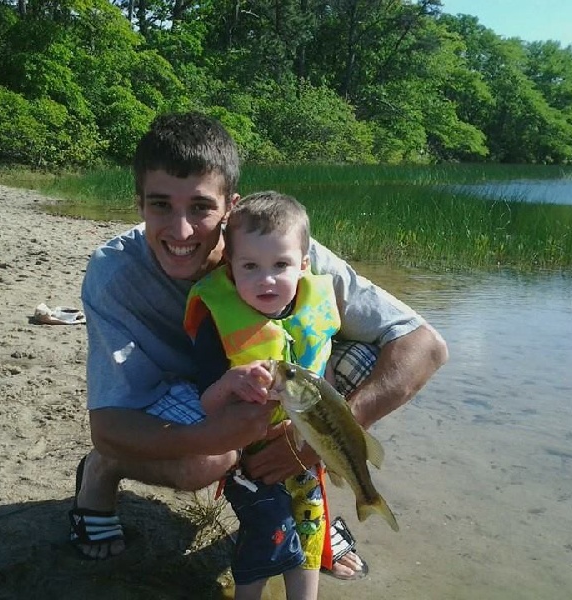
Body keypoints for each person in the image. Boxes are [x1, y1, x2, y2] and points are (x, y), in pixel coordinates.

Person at [70, 112, 448, 581]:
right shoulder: (113, 275)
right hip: (183, 396)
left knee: (363, 362)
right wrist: (215, 439)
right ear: (140, 203)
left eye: (202, 208)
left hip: (273, 391)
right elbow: (107, 425)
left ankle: (306, 505)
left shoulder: (278, 250)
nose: (182, 231)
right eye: (161, 205)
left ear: (232, 206)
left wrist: (314, 441)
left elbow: (424, 345)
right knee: (204, 463)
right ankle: (101, 475)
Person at [184, 191, 343, 600]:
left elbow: (326, 387)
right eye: (251, 266)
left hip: (303, 454)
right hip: (248, 463)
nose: (266, 279)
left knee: (310, 532)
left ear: (303, 266)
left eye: (281, 265)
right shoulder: (217, 326)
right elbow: (204, 404)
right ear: (232, 270)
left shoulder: (312, 315)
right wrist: (230, 382)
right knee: (267, 534)